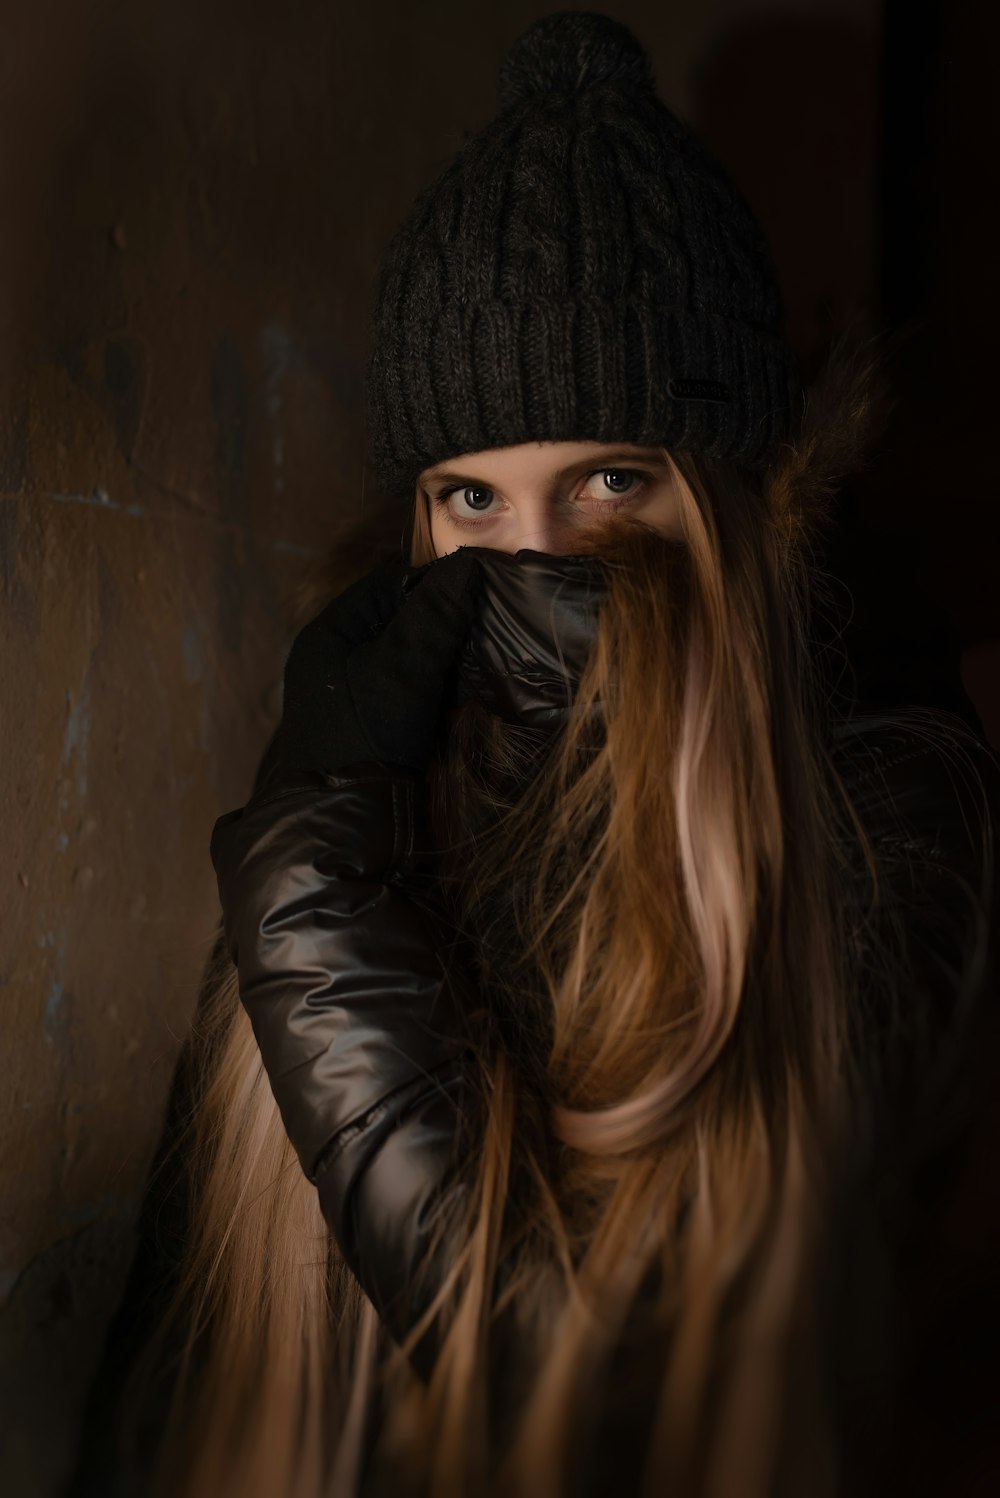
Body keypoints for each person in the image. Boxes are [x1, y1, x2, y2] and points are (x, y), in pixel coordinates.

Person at [74, 13, 999, 1498]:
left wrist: (314, 899)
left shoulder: (882, 804)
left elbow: (624, 1415)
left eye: (611, 478)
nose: (540, 556)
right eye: (473, 499)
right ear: (420, 515)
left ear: (729, 498)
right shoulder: (368, 774)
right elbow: (161, 1395)